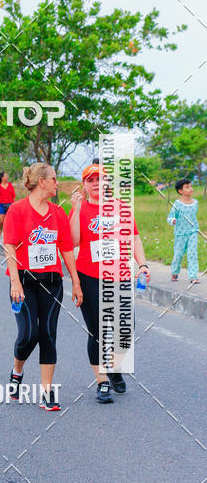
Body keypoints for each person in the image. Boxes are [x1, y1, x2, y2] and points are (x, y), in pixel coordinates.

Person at [3, 163, 83, 412]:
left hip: (52, 282)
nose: (57, 183)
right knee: (29, 334)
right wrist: (15, 281)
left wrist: (76, 282)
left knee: (48, 333)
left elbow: (67, 248)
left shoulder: (58, 213)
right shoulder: (17, 210)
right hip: (24, 282)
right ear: (42, 181)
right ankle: (17, 371)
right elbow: (10, 247)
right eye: (54, 178)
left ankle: (46, 391)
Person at [70, 164, 150, 403]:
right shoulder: (80, 209)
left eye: (100, 179)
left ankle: (114, 368)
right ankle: (102, 382)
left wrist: (142, 264)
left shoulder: (120, 207)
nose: (96, 184)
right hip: (89, 276)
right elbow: (73, 241)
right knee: (97, 332)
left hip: (120, 276)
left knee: (125, 329)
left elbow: (133, 237)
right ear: (84, 185)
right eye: (90, 180)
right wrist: (75, 209)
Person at [167, 178, 200, 284]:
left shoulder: (195, 203)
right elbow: (170, 217)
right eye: (187, 187)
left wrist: (195, 227)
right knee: (178, 254)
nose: (190, 188)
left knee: (192, 253)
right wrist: (173, 220)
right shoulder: (177, 204)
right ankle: (175, 272)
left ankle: (193, 276)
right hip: (180, 233)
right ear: (180, 191)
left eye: (191, 186)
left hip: (193, 232)